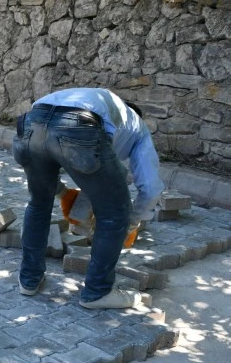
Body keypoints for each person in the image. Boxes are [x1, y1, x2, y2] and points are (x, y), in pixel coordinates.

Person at [13, 87, 165, 309]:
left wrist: (63, 193)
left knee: (38, 203)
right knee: (114, 213)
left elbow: (46, 158)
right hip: (79, 125)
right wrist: (131, 222)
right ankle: (98, 292)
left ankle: (28, 280)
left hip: (31, 122)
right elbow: (151, 188)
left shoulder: (101, 104)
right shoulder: (138, 128)